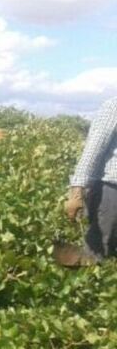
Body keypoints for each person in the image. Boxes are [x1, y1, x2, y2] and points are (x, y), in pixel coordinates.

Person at [55, 97, 117, 265]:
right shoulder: (114, 106)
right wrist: (76, 193)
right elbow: (92, 151)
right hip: (110, 191)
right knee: (99, 251)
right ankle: (91, 287)